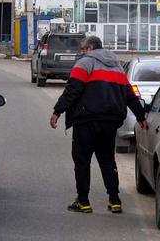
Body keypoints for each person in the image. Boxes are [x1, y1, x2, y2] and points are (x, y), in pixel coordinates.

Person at [50, 35, 145, 214]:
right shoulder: (117, 67)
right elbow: (129, 94)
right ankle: (115, 200)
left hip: (86, 120)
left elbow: (73, 89)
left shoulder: (85, 63)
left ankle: (83, 201)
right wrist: (141, 116)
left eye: (84, 49)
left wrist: (57, 111)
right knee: (108, 160)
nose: (82, 52)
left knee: (82, 161)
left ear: (91, 48)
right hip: (110, 121)